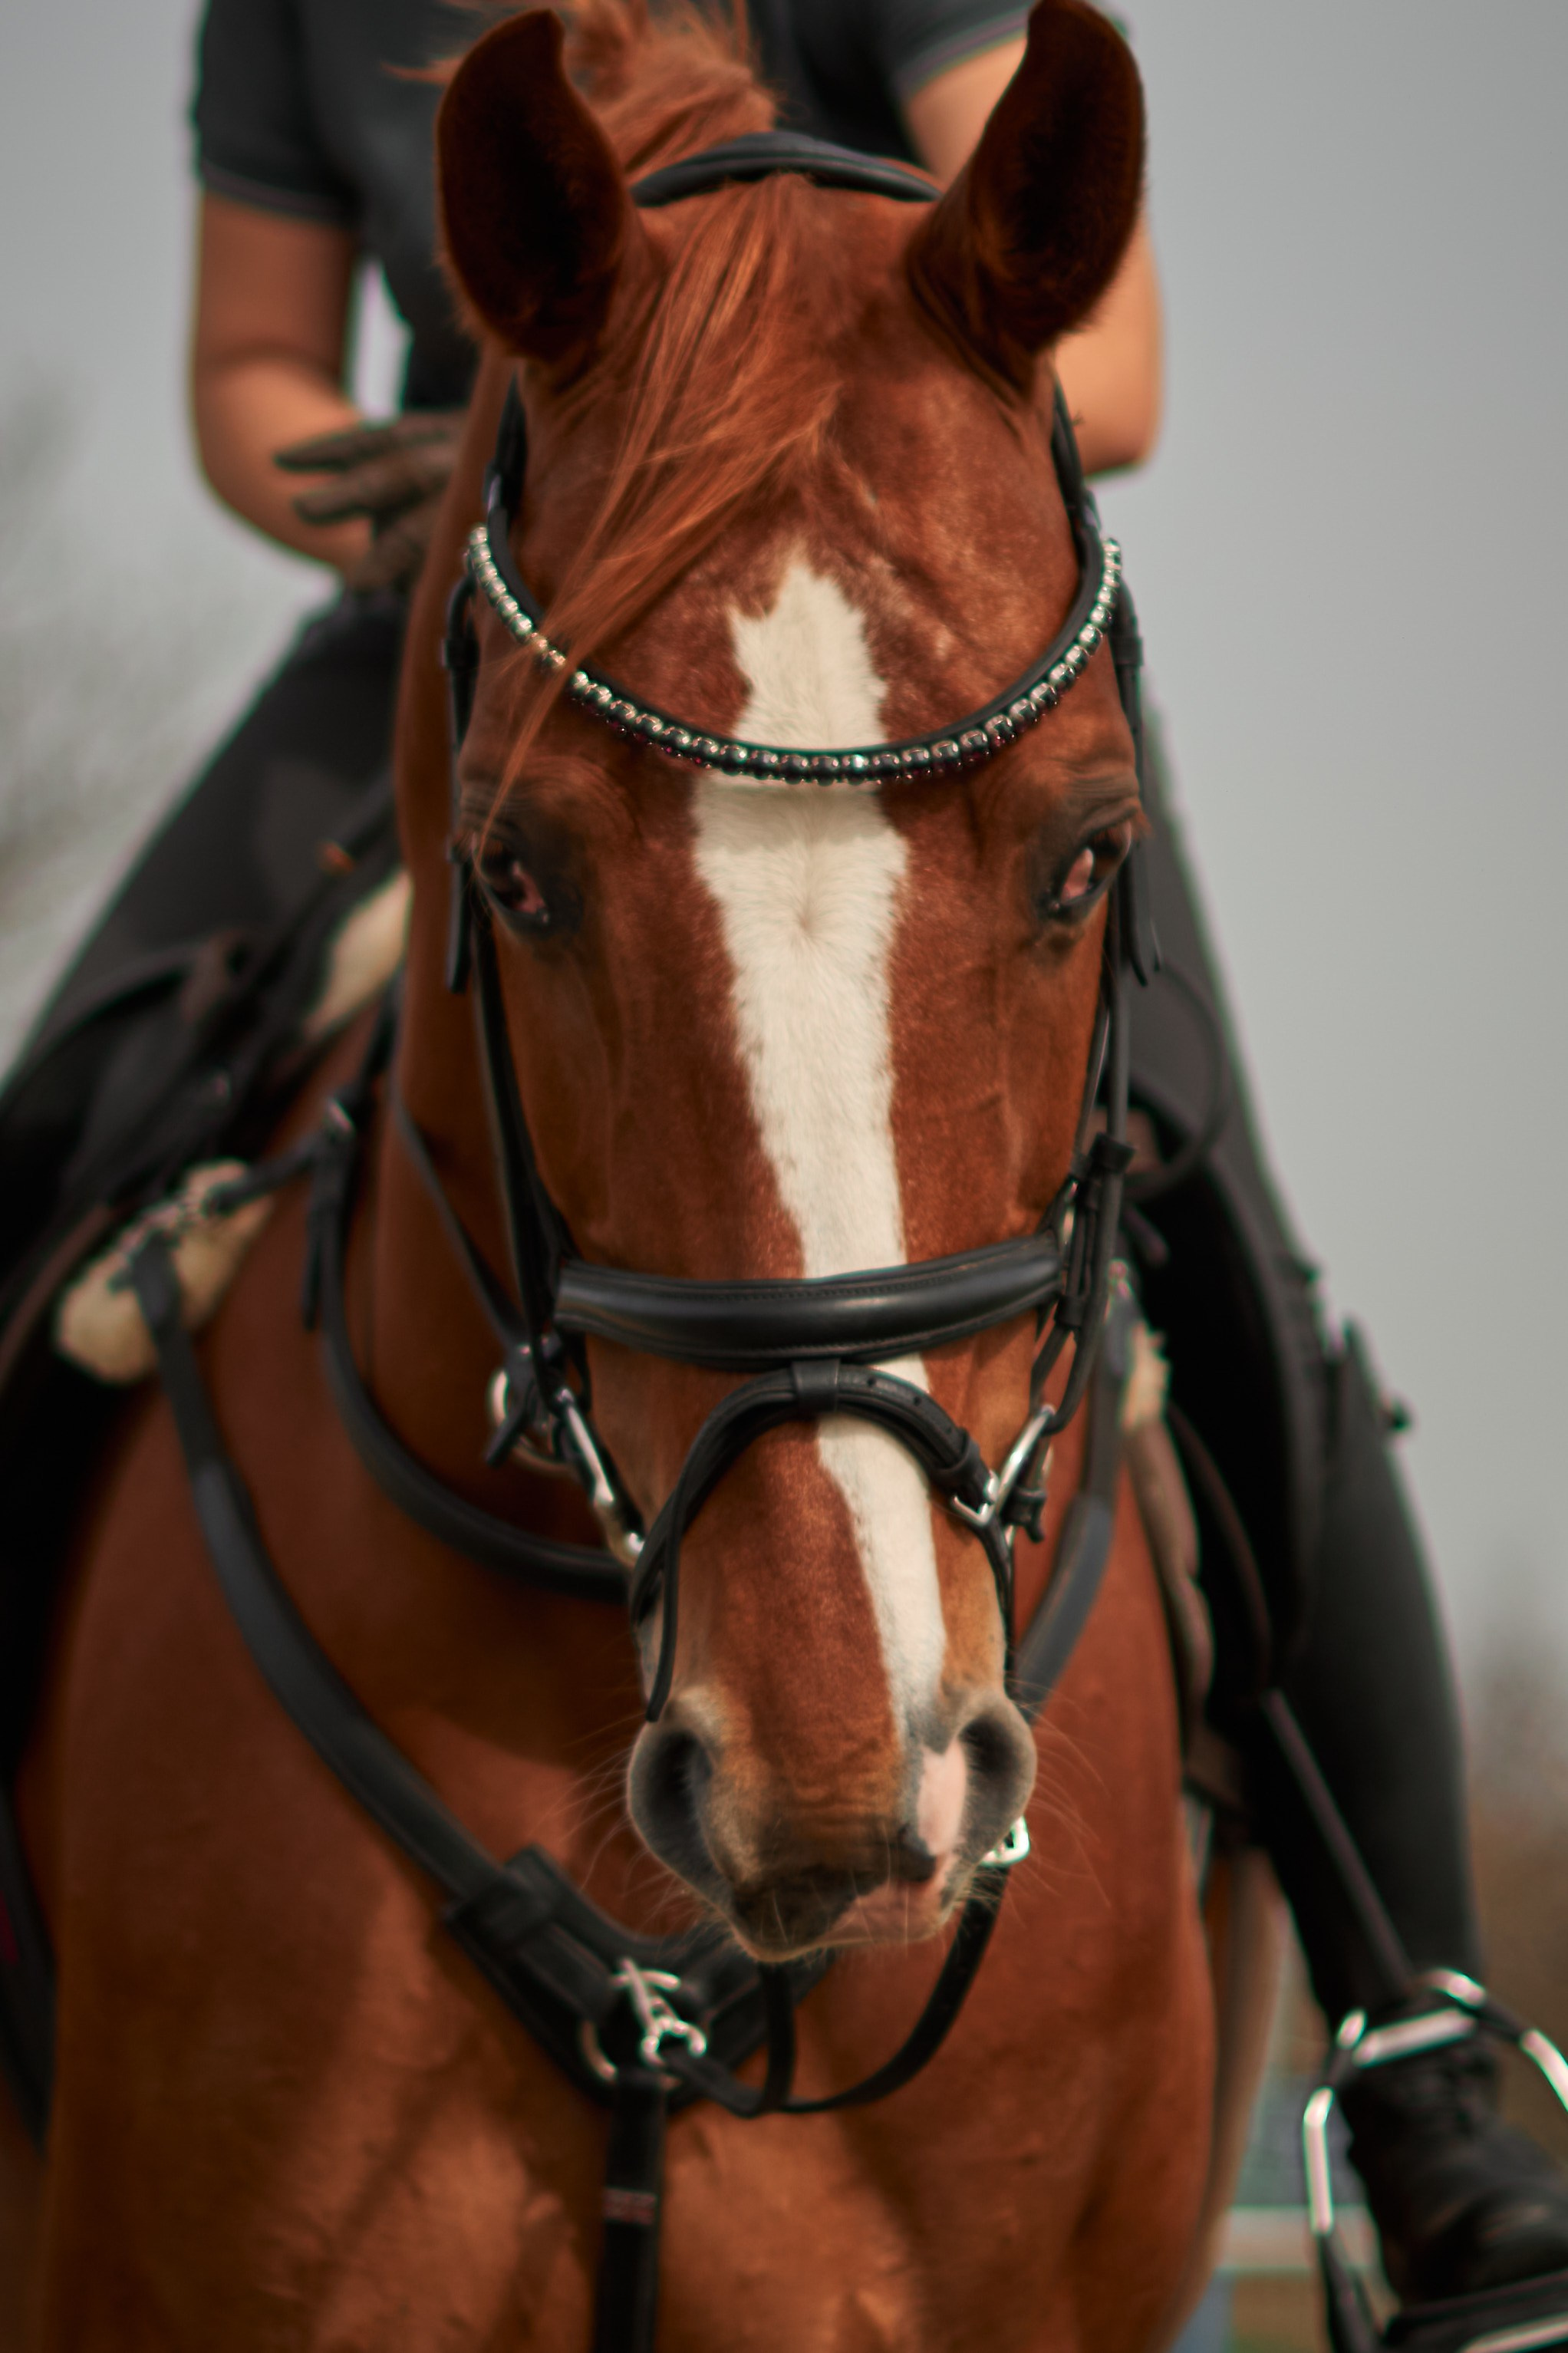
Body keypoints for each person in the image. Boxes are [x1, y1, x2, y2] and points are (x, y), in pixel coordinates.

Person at [12, 0, 1568, 2313]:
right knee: (58, 1144)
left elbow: (1103, 366)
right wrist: (453, 451)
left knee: (1225, 1250)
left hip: (907, 643)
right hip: (503, 612)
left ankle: (1427, 2053)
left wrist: (744, 402)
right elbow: (251, 372)